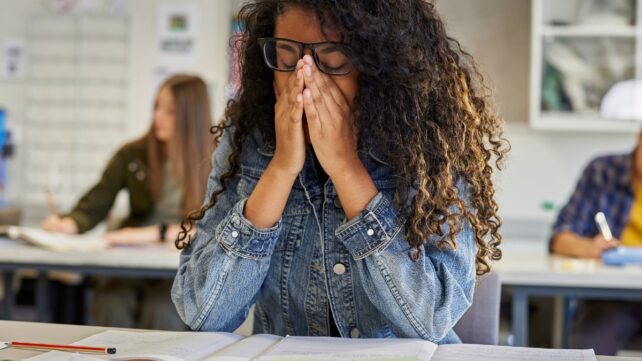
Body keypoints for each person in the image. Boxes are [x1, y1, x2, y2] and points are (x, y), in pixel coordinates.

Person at [172, 0, 508, 343]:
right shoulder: (246, 133)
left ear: (379, 65)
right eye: (286, 54)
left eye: (331, 57)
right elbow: (203, 313)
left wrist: (345, 168)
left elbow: (429, 319)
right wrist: (280, 170)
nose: (304, 77)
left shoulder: (428, 139)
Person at [42, 74, 213, 330]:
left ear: (191, 116)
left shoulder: (218, 160)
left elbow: (217, 227)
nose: (158, 117)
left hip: (182, 265)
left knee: (163, 309)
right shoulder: (132, 154)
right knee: (110, 301)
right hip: (132, 261)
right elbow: (96, 201)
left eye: (170, 111)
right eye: (156, 107)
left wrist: (156, 233)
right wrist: (69, 224)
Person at [550, 132, 642, 355]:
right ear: (640, 137)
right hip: (612, 300)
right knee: (590, 345)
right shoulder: (602, 171)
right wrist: (588, 248)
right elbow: (560, 236)